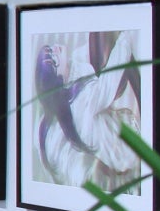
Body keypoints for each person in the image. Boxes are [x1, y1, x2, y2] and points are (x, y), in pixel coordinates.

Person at [33, 31, 142, 191]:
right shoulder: (81, 100)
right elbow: (107, 85)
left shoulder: (49, 120)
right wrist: (124, 39)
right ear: (57, 82)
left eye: (50, 49)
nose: (56, 49)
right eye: (53, 61)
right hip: (125, 153)